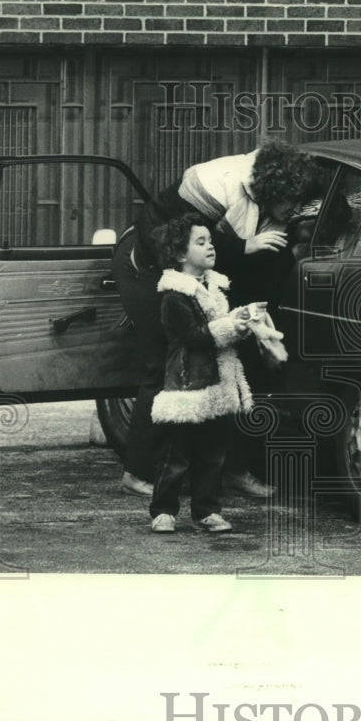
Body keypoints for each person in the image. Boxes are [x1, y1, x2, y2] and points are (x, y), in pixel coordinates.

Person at [112, 140, 320, 498]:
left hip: (204, 275)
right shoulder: (213, 183)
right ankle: (137, 471)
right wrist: (244, 247)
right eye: (289, 202)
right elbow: (175, 242)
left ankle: (231, 469)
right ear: (271, 190)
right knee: (165, 366)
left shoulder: (277, 189)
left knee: (232, 365)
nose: (294, 209)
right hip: (149, 269)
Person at [147, 214, 272, 534]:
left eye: (210, 241)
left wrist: (241, 319)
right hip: (186, 383)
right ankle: (163, 510)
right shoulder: (174, 294)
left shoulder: (214, 285)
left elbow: (220, 326)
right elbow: (195, 336)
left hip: (216, 382)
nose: (210, 247)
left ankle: (207, 509)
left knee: (213, 452)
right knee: (177, 455)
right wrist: (233, 326)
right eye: (200, 242)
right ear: (179, 254)